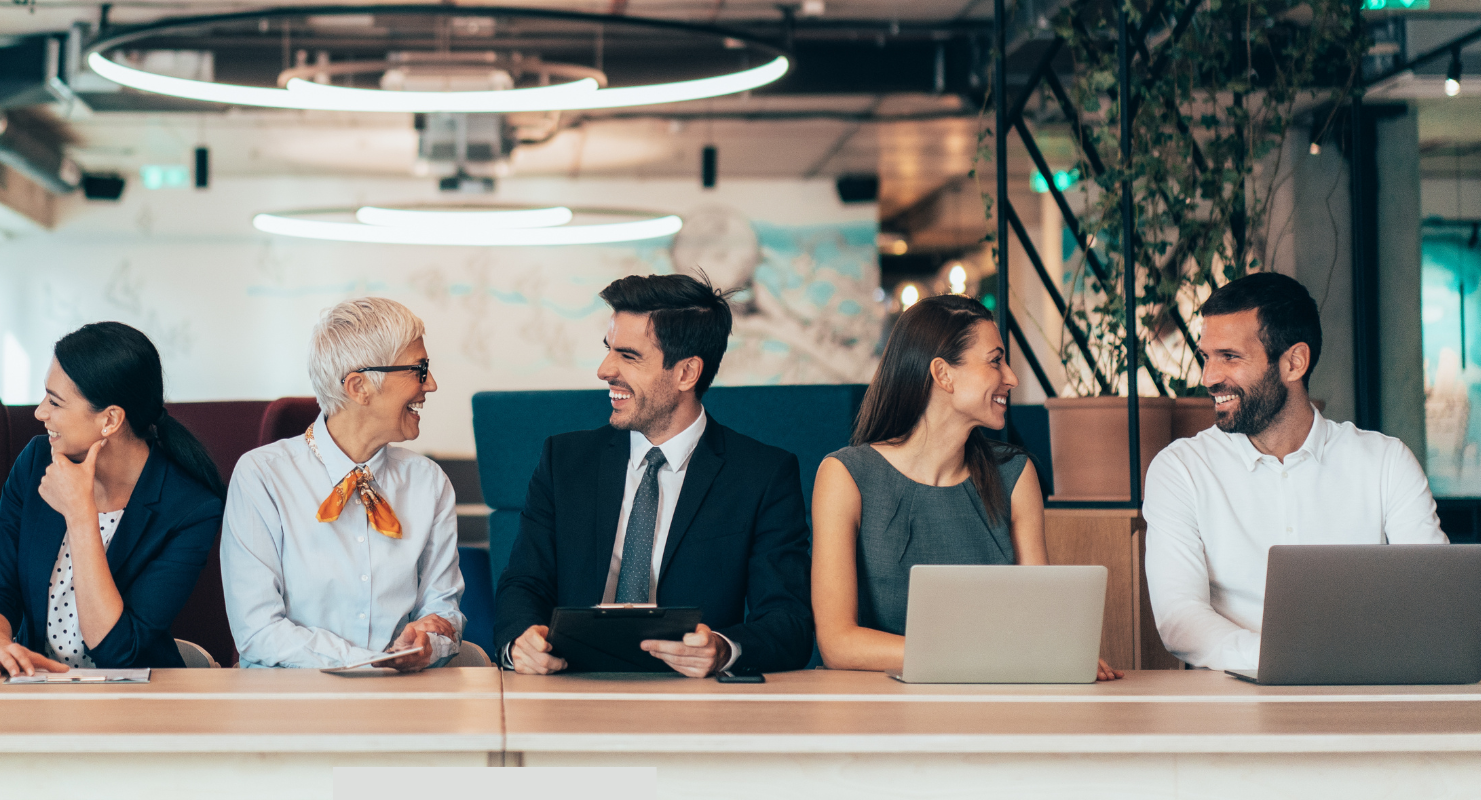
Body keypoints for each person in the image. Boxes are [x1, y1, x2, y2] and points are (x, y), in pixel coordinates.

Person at [496, 273, 814, 677]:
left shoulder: (762, 475)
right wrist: (519, 643)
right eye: (608, 350)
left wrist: (724, 649)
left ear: (686, 373)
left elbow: (788, 621)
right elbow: (524, 583)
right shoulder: (564, 460)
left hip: (692, 702)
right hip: (568, 685)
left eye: (628, 357)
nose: (603, 370)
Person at [1144, 272, 1447, 671]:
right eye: (1207, 356)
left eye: (1229, 357)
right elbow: (1179, 619)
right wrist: (1285, 659)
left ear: (1294, 362)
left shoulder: (1385, 463)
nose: (1209, 377)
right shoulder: (1180, 470)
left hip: (1367, 693)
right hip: (1232, 707)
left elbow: (1434, 597)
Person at [810, 294, 1119, 680]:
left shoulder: (1015, 474)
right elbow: (838, 643)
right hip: (878, 708)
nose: (1012, 377)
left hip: (994, 704)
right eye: (995, 361)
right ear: (943, 374)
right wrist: (990, 654)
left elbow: (1040, 627)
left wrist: (1059, 651)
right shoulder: (845, 475)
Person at [221, 297, 466, 669]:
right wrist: (374, 662)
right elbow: (258, 633)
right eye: (420, 369)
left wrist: (428, 641)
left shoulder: (429, 482)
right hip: (287, 707)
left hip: (403, 703)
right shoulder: (262, 476)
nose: (430, 384)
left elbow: (445, 611)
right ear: (358, 386)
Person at [0, 322, 225, 675]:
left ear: (110, 420)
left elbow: (119, 652)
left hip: (135, 700)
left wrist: (80, 514)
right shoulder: (35, 463)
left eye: (55, 402)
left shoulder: (190, 509)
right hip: (33, 686)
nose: (40, 412)